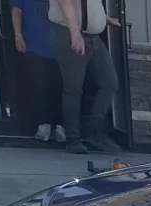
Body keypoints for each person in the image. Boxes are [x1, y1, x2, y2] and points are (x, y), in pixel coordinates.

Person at [48, 0, 118, 154]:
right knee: (73, 89)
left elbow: (86, 6)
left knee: (109, 82)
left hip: (93, 38)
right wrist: (75, 33)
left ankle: (94, 131)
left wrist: (102, 18)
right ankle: (73, 140)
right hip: (68, 33)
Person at [11, 0, 64, 143]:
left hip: (59, 46)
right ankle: (43, 125)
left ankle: (59, 126)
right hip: (33, 44)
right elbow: (17, 10)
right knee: (37, 86)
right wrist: (18, 34)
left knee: (58, 87)